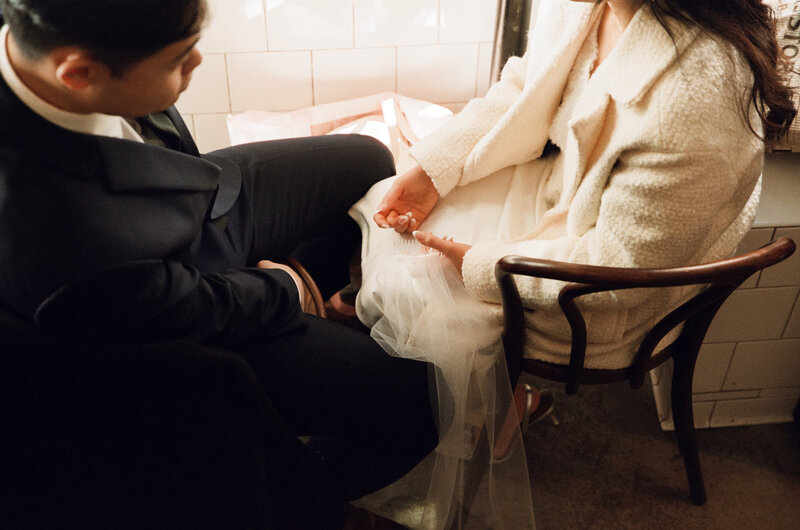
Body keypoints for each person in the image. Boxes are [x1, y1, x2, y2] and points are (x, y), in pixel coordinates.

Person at [350, 0, 794, 528]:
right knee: (391, 198)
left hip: (602, 296)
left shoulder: (696, 93)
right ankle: (504, 398)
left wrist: (480, 264)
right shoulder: (583, 5)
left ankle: (490, 401)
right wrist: (432, 169)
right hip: (567, 196)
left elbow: (623, 268)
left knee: (429, 293)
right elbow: (524, 87)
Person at [0, 0, 437, 528]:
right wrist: (283, 285)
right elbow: (194, 306)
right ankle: (303, 490)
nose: (199, 62)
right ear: (80, 73)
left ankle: (331, 310)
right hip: (164, 312)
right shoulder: (57, 235)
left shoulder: (51, 42)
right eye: (179, 59)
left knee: (368, 161)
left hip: (181, 197)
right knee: (423, 401)